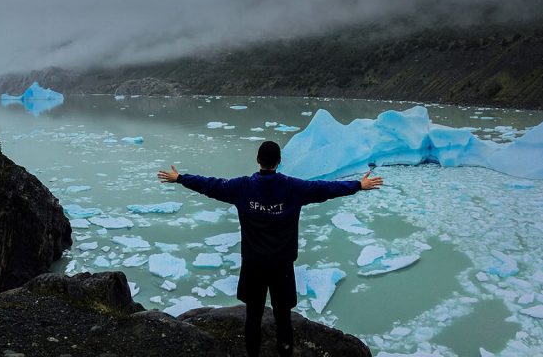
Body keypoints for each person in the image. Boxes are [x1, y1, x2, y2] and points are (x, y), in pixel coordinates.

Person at [157, 140, 383, 357]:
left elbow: (210, 185)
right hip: (281, 266)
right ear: (279, 162)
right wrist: (358, 185)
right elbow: (324, 189)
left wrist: (180, 178)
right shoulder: (293, 187)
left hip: (253, 264)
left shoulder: (241, 187)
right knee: (283, 316)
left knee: (253, 316)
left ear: (258, 159)